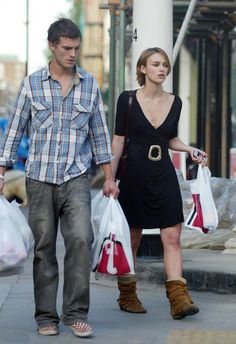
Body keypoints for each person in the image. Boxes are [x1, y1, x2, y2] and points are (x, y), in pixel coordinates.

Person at [0, 18, 119, 337]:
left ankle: (76, 312)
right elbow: (14, 130)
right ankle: (46, 317)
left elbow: (99, 134)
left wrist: (109, 178)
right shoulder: (32, 84)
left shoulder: (90, 84)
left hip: (77, 177)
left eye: (77, 48)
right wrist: (1, 171)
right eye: (67, 48)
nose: (73, 54)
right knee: (44, 248)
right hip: (39, 179)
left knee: (82, 239)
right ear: (52, 46)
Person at [111, 47, 207, 319]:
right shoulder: (127, 100)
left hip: (163, 171)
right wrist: (110, 178)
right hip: (134, 173)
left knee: (173, 235)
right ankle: (127, 295)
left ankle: (178, 300)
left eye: (165, 64)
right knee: (132, 237)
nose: (162, 68)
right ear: (142, 69)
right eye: (155, 64)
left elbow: (169, 139)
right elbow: (118, 140)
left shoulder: (175, 102)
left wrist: (190, 149)